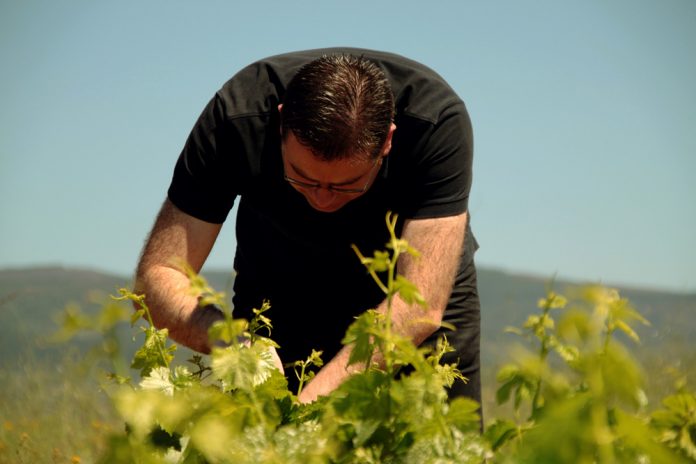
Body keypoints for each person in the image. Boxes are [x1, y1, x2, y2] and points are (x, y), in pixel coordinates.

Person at [135, 47, 480, 406]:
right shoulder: (237, 117)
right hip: (279, 285)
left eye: (347, 185)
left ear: (388, 141)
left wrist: (309, 409)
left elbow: (419, 306)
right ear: (280, 124)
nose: (323, 200)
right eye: (301, 178)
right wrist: (234, 343)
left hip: (407, 296)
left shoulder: (435, 122)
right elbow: (159, 274)